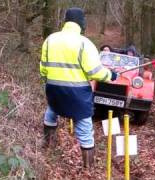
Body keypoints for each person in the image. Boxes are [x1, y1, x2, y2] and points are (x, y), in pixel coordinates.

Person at [40, 7, 117, 168]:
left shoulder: (50, 39)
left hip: (53, 89)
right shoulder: (85, 43)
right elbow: (95, 72)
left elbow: (43, 69)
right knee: (84, 127)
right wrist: (111, 75)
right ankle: (88, 168)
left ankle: (48, 150)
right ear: (81, 23)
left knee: (51, 113)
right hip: (77, 94)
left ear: (66, 21)